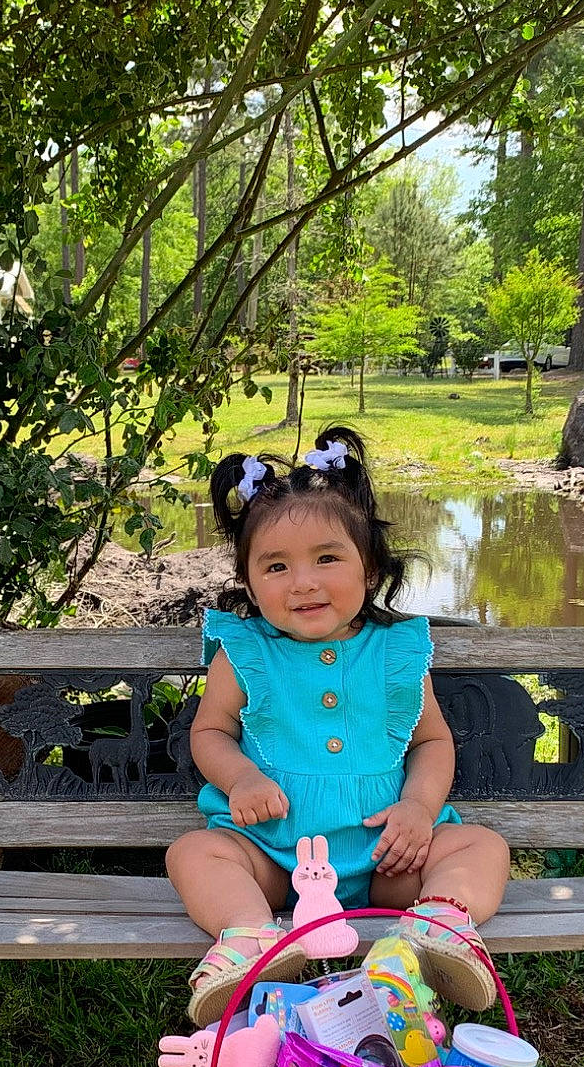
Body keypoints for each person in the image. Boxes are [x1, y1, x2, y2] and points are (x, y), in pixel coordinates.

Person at [166, 427, 511, 1025]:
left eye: (327, 558)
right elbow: (210, 732)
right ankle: (253, 939)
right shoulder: (244, 652)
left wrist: (419, 811)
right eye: (276, 566)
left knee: (482, 846)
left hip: (386, 865)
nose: (302, 581)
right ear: (249, 581)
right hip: (272, 857)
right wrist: (242, 778)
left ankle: (441, 926)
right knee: (194, 852)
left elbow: (431, 741)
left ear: (369, 570)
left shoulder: (397, 652)